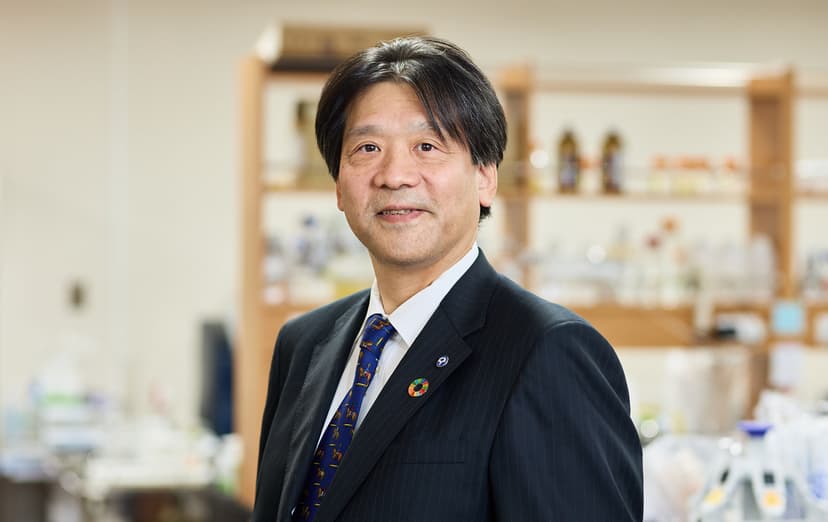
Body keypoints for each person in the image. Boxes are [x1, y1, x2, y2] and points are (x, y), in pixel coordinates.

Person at [252, 36, 643, 522]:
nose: (395, 175)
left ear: (485, 177)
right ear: (338, 185)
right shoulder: (303, 344)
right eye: (368, 148)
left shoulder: (546, 351)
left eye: (427, 146)